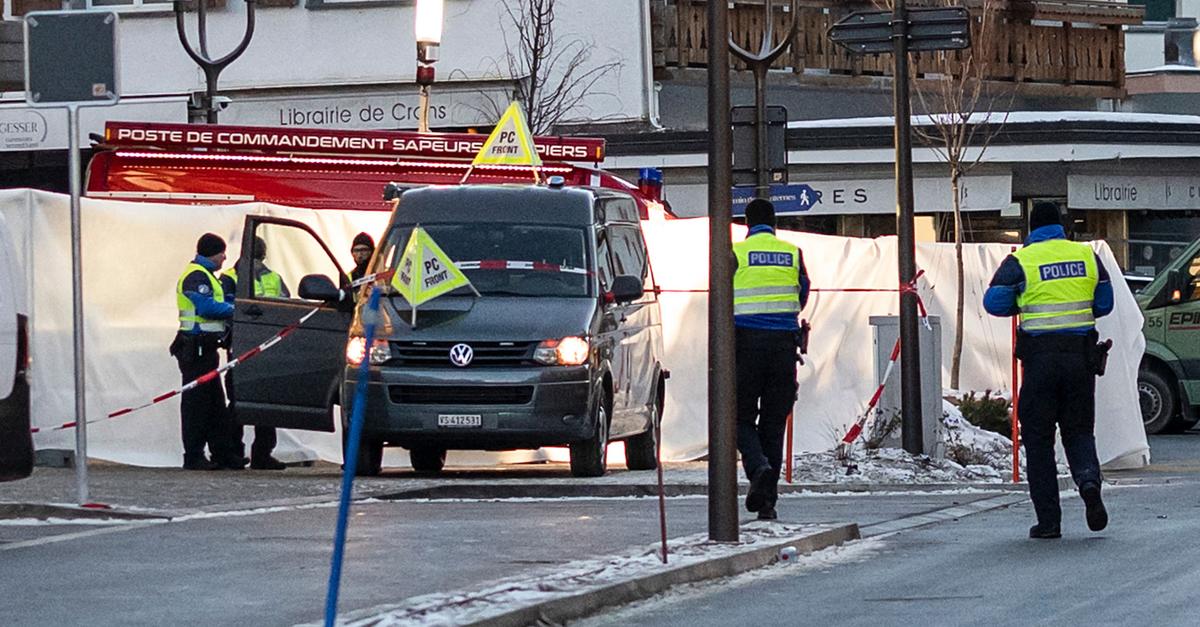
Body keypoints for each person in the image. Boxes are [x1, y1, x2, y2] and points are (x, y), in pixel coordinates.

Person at [984, 201, 1113, 539]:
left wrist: (1022, 302)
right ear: (1062, 226)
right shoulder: (1087, 256)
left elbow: (993, 303)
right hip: (1080, 361)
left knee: (1039, 440)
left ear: (1031, 228)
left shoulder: (1021, 261)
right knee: (1080, 431)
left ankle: (1049, 521)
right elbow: (1105, 303)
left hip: (1039, 362)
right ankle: (1088, 483)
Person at [732, 198, 809, 521]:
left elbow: (720, 297)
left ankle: (757, 467)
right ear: (774, 223)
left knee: (739, 416)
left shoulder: (735, 254)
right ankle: (767, 501)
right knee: (774, 424)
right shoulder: (792, 253)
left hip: (745, 346)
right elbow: (802, 294)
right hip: (783, 349)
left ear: (747, 224)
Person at [171, 233, 239, 470]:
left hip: (206, 350)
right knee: (196, 405)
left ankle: (223, 453)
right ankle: (194, 455)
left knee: (215, 404)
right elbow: (206, 307)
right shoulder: (196, 276)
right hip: (195, 349)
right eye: (222, 253)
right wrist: (235, 309)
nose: (225, 258)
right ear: (214, 253)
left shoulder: (208, 276)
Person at [220, 236, 288, 471]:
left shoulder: (229, 277)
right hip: (257, 346)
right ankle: (257, 454)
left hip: (246, 346)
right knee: (258, 400)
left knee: (240, 401)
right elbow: (286, 308)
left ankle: (237, 453)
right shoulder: (267, 277)